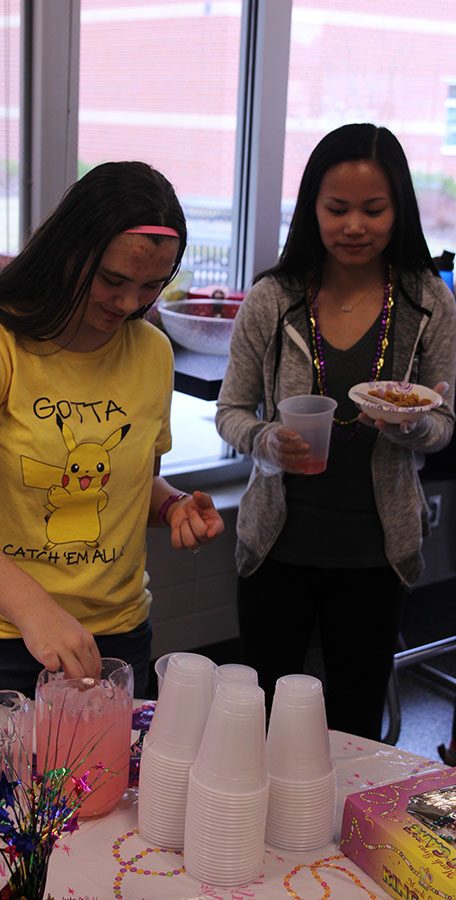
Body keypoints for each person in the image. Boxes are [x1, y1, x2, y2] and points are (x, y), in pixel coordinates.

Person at [0, 160, 224, 707]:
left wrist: (171, 507)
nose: (129, 305)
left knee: (108, 796)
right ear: (68, 251)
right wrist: (35, 610)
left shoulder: (151, 351)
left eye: (151, 287)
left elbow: (124, 486)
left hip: (115, 634)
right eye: (112, 280)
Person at [215, 123, 456, 741]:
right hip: (276, 547)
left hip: (378, 554)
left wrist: (408, 427)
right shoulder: (274, 298)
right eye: (337, 208)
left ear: (398, 209)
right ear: (311, 209)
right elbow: (232, 412)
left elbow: (443, 426)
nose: (355, 225)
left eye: (373, 210)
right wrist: (268, 440)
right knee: (262, 720)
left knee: (353, 726)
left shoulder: (429, 302)